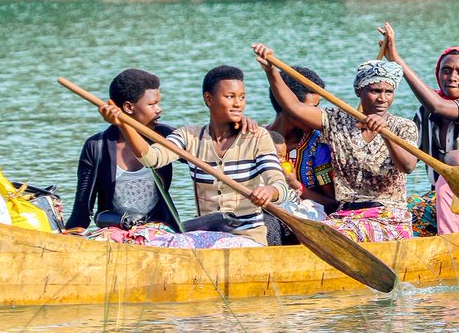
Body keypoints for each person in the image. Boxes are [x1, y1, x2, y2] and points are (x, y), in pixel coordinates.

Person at [101, 65, 292, 246]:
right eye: (230, 96)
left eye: (242, 97)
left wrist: (269, 191)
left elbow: (279, 185)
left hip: (247, 237)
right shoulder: (189, 136)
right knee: (152, 243)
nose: (238, 104)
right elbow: (151, 158)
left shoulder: (258, 137)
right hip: (205, 234)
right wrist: (123, 124)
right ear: (209, 99)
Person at [253, 44, 419, 243]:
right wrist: (271, 71)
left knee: (326, 236)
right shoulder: (337, 120)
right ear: (359, 91)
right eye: (375, 91)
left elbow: (408, 166)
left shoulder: (403, 127)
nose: (383, 98)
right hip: (344, 216)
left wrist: (386, 135)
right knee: (308, 233)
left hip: (387, 217)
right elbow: (293, 106)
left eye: (389, 92)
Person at [376, 22, 459, 235]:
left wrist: (397, 61)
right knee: (394, 214)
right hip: (439, 198)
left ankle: (449, 245)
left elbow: (438, 106)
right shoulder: (424, 113)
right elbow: (407, 159)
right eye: (446, 70)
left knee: (448, 181)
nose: (452, 77)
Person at [66, 69, 179, 232]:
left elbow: (202, 154)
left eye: (158, 103)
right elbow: (82, 211)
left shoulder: (165, 136)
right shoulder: (96, 146)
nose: (159, 109)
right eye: (152, 104)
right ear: (128, 107)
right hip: (115, 234)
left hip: (161, 232)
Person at [263, 66, 335, 244]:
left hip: (306, 225)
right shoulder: (255, 140)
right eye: (313, 108)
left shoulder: (319, 146)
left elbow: (334, 206)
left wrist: (295, 185)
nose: (318, 115)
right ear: (288, 104)